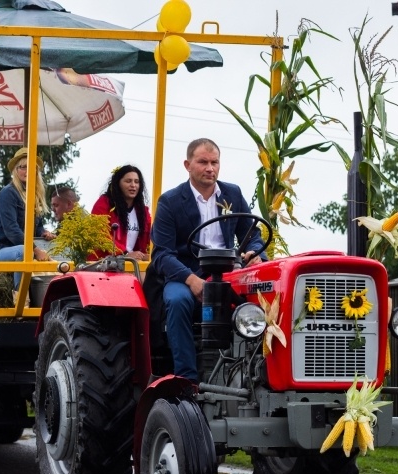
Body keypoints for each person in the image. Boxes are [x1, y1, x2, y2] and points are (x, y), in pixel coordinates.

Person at [150, 138, 267, 383]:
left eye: (214, 162)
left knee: (263, 297)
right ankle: (187, 380)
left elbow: (252, 234)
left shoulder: (232, 193)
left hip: (227, 273)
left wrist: (255, 253)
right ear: (187, 165)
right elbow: (162, 255)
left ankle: (255, 376)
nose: (210, 168)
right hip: (184, 274)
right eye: (203, 162)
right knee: (178, 301)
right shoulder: (170, 201)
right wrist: (190, 280)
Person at [0, 147, 51, 298]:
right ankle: (21, 300)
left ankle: (43, 298)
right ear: (16, 170)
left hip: (21, 249)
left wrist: (43, 232)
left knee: (49, 249)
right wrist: (36, 250)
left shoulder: (34, 195)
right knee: (25, 251)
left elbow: (37, 225)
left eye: (32, 167)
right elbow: (11, 230)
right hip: (0, 250)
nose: (27, 171)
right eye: (23, 167)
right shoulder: (7, 193)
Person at [90, 165, 151, 260]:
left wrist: (146, 255)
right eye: (128, 181)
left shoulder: (142, 211)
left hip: (132, 264)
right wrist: (125, 253)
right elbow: (100, 236)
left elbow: (150, 238)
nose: (133, 185)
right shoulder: (103, 203)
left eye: (136, 181)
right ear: (118, 183)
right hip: (104, 263)